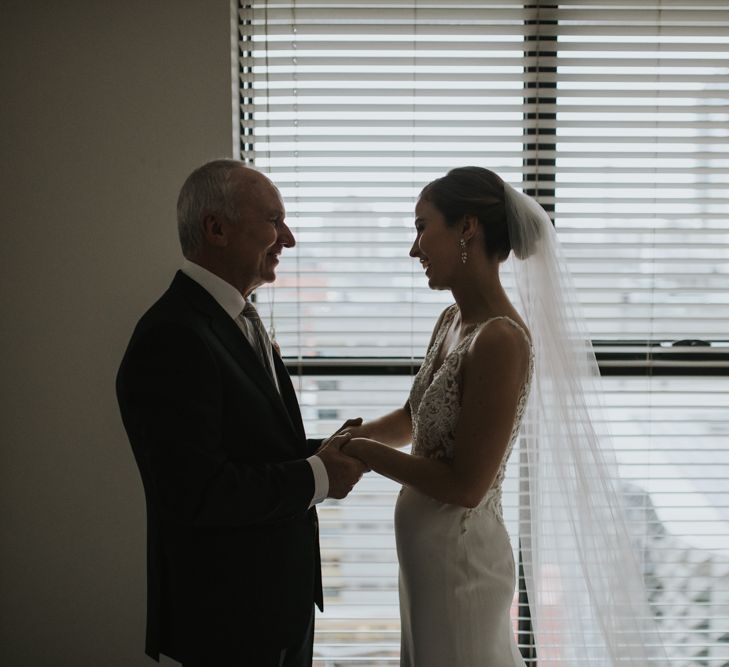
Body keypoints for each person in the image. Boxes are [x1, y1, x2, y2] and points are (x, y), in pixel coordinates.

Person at [340, 167, 666, 665]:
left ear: (467, 227)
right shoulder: (451, 319)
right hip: (427, 558)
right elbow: (413, 415)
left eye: (422, 227)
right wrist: (344, 437)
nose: (414, 249)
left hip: (462, 558)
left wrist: (364, 453)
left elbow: (467, 485)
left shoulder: (501, 340)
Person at [116, 159, 366, 666]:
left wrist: (321, 452)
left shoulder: (237, 320)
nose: (288, 238)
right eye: (274, 220)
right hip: (229, 618)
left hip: (278, 607)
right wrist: (318, 476)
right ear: (216, 228)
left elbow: (252, 446)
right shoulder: (173, 336)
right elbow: (199, 491)